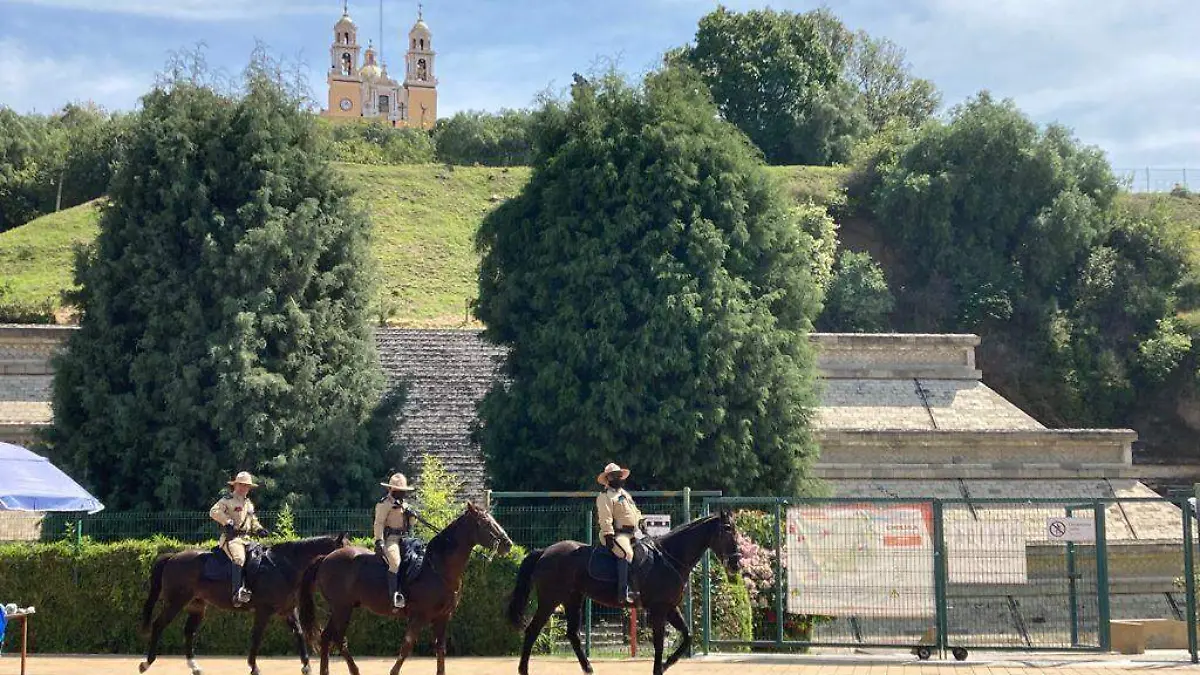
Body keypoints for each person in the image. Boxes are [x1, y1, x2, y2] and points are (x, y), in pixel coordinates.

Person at [209, 471, 270, 607]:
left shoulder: (248, 503)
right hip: (232, 539)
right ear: (235, 486)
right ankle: (236, 594)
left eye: (246, 486)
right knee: (239, 559)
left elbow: (252, 520)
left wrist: (259, 529)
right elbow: (213, 511)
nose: (244, 488)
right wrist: (226, 521)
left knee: (260, 558)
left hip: (247, 539)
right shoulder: (227, 500)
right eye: (241, 485)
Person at [596, 462, 643, 606]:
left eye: (619, 475)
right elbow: (605, 517)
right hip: (617, 534)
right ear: (608, 478)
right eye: (613, 476)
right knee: (626, 554)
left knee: (649, 548)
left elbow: (635, 511)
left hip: (634, 532)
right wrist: (608, 534)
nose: (617, 478)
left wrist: (642, 520)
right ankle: (623, 593)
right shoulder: (605, 496)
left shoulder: (625, 494)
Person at [374, 472, 418, 610]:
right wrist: (379, 541)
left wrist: (413, 516)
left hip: (405, 538)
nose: (402, 494)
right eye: (399, 491)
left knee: (417, 560)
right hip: (391, 539)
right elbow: (379, 523)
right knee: (395, 563)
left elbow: (412, 524)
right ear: (391, 490)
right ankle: (395, 597)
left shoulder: (405, 504)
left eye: (403, 491)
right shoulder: (384, 504)